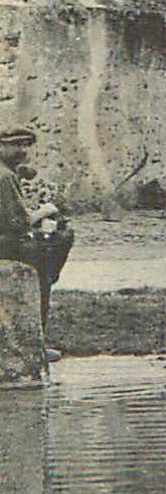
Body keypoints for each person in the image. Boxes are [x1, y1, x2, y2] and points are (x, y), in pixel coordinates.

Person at [0, 127, 74, 344]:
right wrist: (47, 209)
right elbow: (18, 223)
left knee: (46, 243)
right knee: (56, 242)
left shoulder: (7, 173)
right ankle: (35, 341)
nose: (22, 151)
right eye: (15, 145)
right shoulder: (5, 177)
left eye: (25, 145)